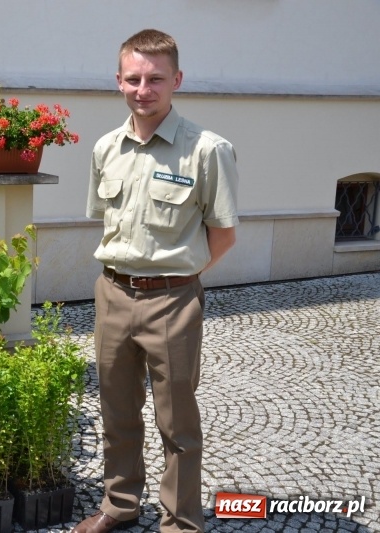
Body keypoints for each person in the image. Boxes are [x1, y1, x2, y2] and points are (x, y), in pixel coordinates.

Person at [73, 29, 239, 533]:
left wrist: (177, 277)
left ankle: (181, 523)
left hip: (173, 300)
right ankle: (120, 506)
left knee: (178, 425)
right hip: (112, 294)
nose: (143, 89)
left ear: (177, 81)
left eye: (155, 79)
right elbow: (103, 218)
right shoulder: (106, 147)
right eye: (133, 78)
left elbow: (224, 235)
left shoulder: (207, 150)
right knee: (117, 414)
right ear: (118, 81)